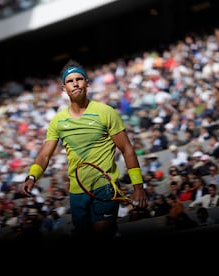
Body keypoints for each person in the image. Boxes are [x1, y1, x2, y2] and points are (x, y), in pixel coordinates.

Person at [20, 59, 147, 240]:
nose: (75, 84)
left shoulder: (106, 112)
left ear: (86, 83)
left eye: (79, 79)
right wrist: (32, 176)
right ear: (64, 88)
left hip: (105, 186)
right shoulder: (57, 121)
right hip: (77, 192)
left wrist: (138, 187)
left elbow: (127, 150)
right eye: (70, 81)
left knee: (100, 235)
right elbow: (44, 154)